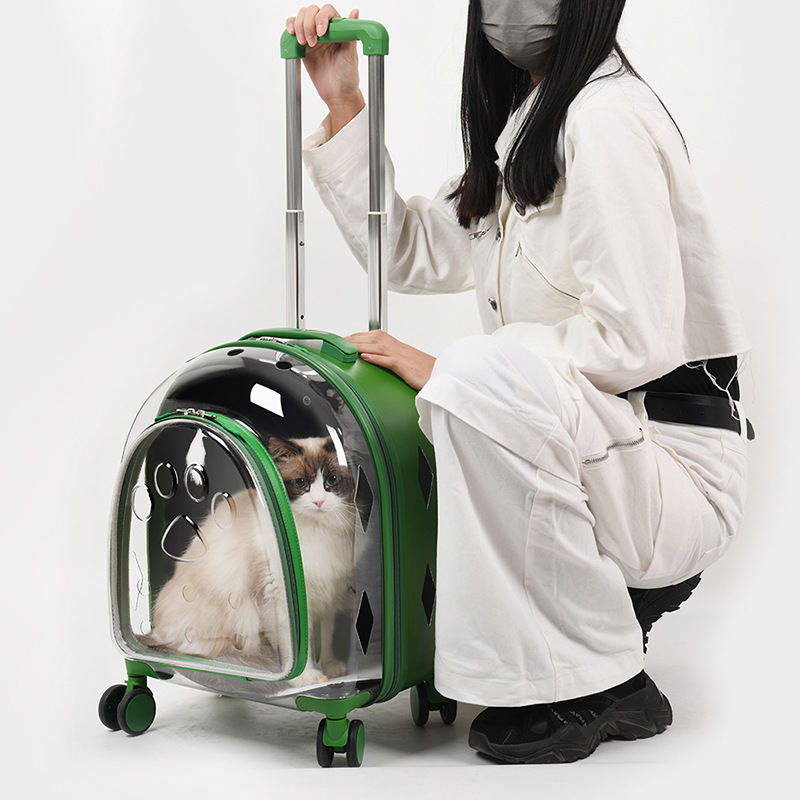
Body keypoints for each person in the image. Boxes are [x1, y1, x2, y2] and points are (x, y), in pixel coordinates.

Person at [286, 0, 751, 764]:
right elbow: (406, 248)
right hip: (601, 453)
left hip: (668, 466)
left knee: (475, 375)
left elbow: (634, 336)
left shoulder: (605, 120)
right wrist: (343, 102)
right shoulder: (530, 130)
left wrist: (457, 375)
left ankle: (600, 680)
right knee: (474, 381)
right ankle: (579, 637)